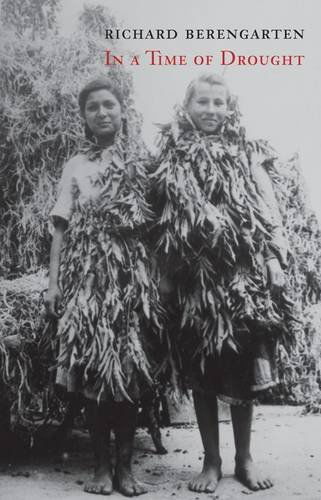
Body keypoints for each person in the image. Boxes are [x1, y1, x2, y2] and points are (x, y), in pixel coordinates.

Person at [152, 73, 295, 493]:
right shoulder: (171, 156)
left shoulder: (244, 153)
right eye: (203, 103)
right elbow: (159, 220)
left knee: (241, 369)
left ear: (230, 108)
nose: (212, 111)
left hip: (240, 280)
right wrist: (164, 273)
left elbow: (265, 210)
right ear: (187, 106)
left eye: (219, 103)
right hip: (193, 283)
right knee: (202, 370)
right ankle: (211, 460)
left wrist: (271, 257)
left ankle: (244, 458)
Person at [44, 77, 159, 496]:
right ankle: (100, 467)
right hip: (88, 276)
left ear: (122, 110)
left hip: (131, 277)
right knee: (92, 370)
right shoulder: (74, 166)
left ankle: (126, 468)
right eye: (93, 107)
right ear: (84, 117)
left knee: (126, 370)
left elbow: (154, 224)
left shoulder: (141, 160)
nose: (102, 113)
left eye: (109, 105)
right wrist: (54, 284)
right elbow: (60, 227)